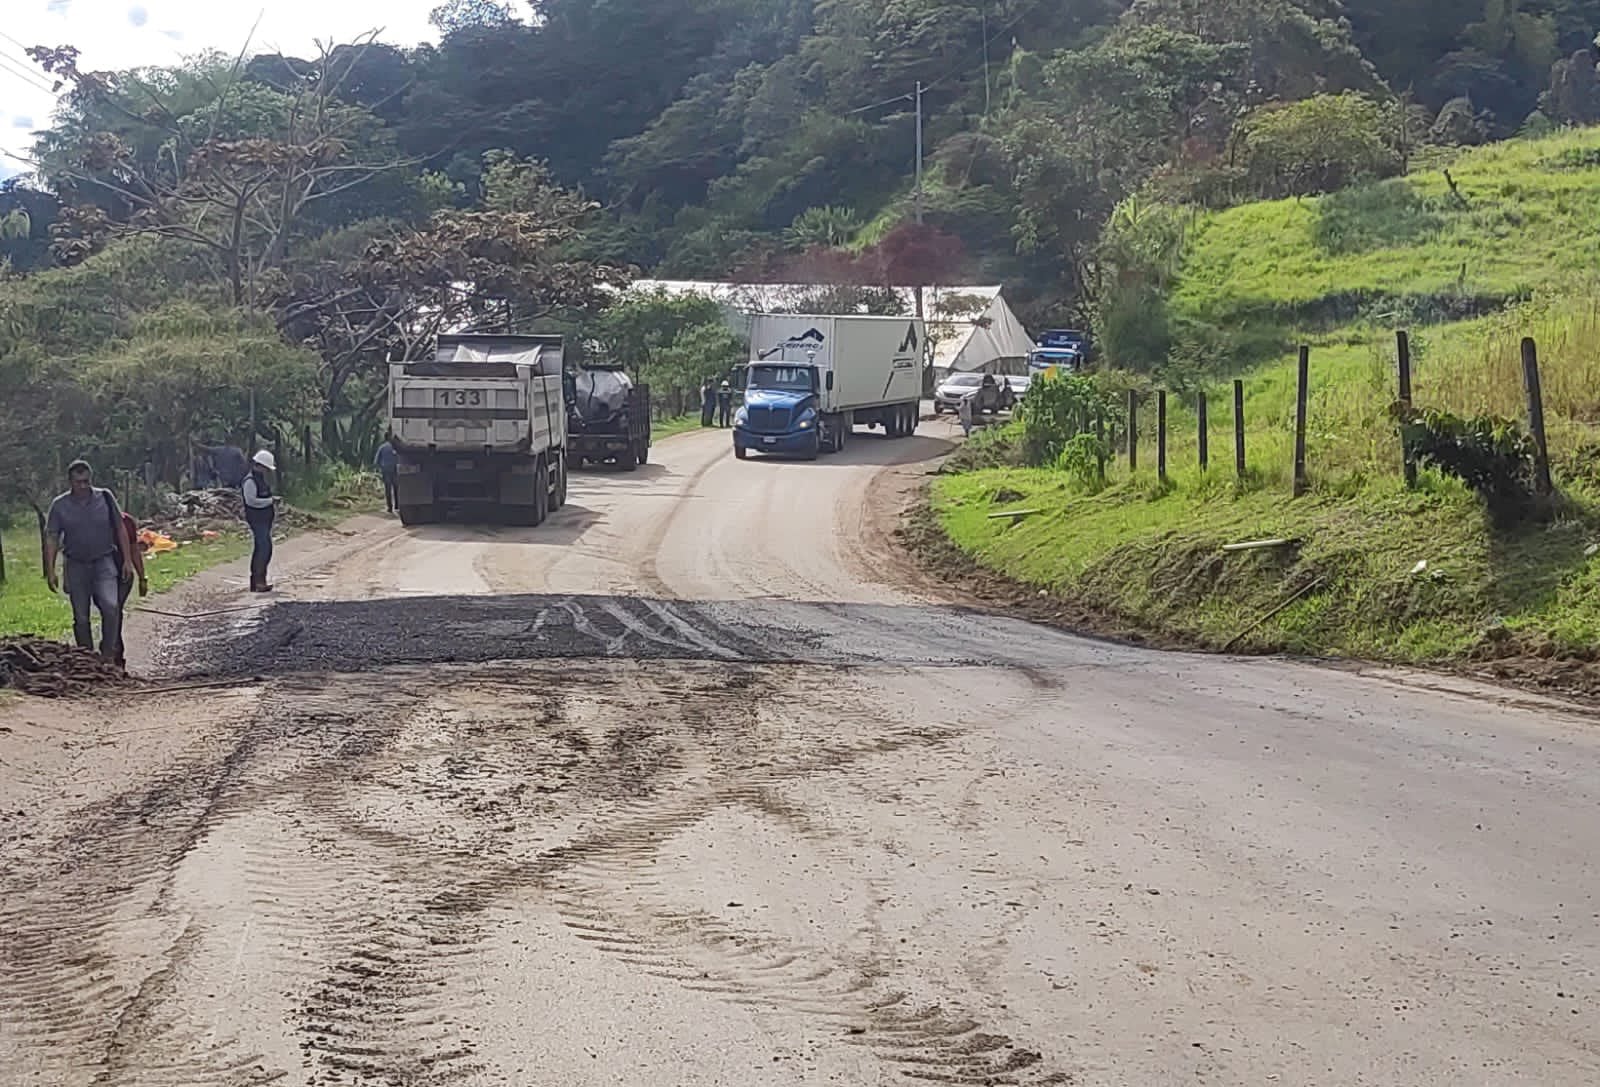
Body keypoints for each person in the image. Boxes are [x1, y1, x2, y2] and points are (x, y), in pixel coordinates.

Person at [42, 460, 135, 663]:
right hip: (76, 564)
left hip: (104, 561)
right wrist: (50, 571)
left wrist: (127, 560)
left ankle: (109, 652)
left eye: (86, 482)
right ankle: (86, 657)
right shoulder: (60, 505)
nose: (83, 486)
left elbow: (121, 528)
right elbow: (51, 538)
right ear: (70, 482)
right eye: (78, 482)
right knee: (81, 617)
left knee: (111, 607)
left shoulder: (105, 497)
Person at [115, 508, 149, 668]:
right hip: (98, 573)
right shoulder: (95, 521)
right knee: (109, 612)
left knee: (115, 612)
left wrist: (143, 577)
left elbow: (134, 549)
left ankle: (115, 653)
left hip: (124, 574)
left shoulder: (127, 521)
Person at [242, 450, 278, 592]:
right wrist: (270, 501)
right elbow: (251, 501)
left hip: (264, 520)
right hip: (257, 520)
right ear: (260, 466)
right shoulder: (250, 481)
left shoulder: (260, 480)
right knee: (263, 548)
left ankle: (260, 580)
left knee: (264, 548)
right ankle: (257, 581)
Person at [374, 437, 399, 514]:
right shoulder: (397, 447)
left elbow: (376, 460)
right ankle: (397, 505)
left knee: (388, 489)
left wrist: (378, 469)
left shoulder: (382, 447)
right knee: (396, 488)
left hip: (386, 470)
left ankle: (390, 507)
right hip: (395, 470)